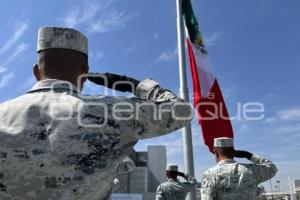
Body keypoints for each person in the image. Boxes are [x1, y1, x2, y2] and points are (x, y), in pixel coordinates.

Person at [0, 27, 193, 200]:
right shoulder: (110, 113)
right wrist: (139, 86)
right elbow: (182, 111)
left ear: (36, 71)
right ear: (85, 72)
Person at [200, 137, 278, 200]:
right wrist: (248, 155)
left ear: (215, 151)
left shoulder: (210, 174)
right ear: (234, 152)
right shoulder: (251, 170)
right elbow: (272, 168)